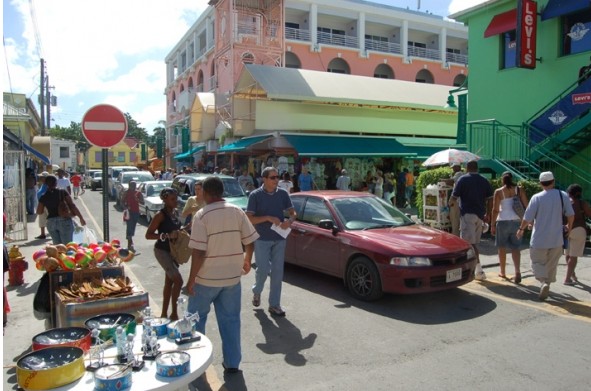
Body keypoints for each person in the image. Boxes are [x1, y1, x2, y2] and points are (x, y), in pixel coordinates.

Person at [186, 176, 259, 374]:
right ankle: (233, 363)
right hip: (232, 278)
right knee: (231, 320)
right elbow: (250, 240)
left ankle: (196, 363)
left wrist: (191, 280)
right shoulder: (237, 211)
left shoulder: (201, 215)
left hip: (206, 279)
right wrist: (247, 259)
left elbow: (199, 252)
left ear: (207, 193)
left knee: (195, 319)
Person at [516, 172, 574, 301]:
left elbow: (527, 217)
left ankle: (543, 282)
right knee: (551, 265)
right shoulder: (562, 195)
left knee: (536, 263)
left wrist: (521, 229)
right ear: (553, 181)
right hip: (557, 239)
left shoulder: (537, 197)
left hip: (539, 239)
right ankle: (547, 282)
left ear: (540, 183)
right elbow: (570, 214)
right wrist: (569, 228)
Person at [247, 167, 297, 317]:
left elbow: (293, 212)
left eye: (277, 177)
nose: (277, 180)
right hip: (262, 238)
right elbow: (249, 217)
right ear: (264, 179)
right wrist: (268, 218)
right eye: (273, 177)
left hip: (280, 238)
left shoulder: (282, 193)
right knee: (262, 269)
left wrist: (290, 220)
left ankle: (274, 305)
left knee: (277, 272)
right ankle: (257, 291)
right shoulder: (255, 195)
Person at [449, 160, 493, 280]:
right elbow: (490, 199)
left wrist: (449, 205)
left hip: (467, 214)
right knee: (474, 243)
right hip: (480, 216)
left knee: (469, 244)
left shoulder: (463, 179)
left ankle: (478, 270)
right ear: (476, 168)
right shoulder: (484, 180)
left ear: (467, 168)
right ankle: (472, 268)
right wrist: (488, 214)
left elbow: (454, 197)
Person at [145, 188, 185, 320]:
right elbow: (148, 235)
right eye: (172, 199)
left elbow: (176, 230)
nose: (175, 201)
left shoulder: (175, 212)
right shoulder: (160, 215)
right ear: (165, 200)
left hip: (173, 251)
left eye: (176, 198)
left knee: (169, 282)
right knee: (178, 281)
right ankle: (174, 313)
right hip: (162, 251)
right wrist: (166, 236)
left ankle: (163, 314)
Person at [490, 172, 529, 283]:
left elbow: (495, 210)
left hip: (502, 221)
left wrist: (492, 225)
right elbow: (526, 205)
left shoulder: (498, 191)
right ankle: (517, 271)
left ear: (502, 179)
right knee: (515, 248)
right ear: (512, 178)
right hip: (517, 221)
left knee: (501, 247)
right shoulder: (519, 189)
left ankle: (503, 272)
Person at [37, 175, 86, 245]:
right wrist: (81, 218)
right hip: (64, 221)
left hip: (51, 223)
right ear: (56, 183)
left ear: (45, 184)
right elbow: (72, 206)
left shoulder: (44, 196)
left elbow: (39, 211)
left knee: (58, 248)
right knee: (68, 246)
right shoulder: (62, 192)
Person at [564, 184, 591, 285]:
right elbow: (590, 214)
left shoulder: (565, 202)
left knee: (567, 254)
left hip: (566, 230)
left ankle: (572, 274)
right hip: (579, 229)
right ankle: (567, 279)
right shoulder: (581, 203)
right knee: (574, 256)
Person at [445, 163, 464, 236]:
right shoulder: (462, 174)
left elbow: (451, 182)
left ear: (457, 167)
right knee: (458, 219)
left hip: (456, 201)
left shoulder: (459, 174)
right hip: (460, 201)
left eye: (453, 167)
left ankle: (455, 236)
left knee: (455, 219)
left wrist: (441, 180)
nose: (453, 169)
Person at [122, 181, 141, 252]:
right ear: (129, 185)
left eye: (134, 185)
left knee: (132, 227)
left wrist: (138, 199)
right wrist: (125, 207)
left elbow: (142, 202)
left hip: (136, 212)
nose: (133, 187)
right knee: (129, 227)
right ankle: (130, 244)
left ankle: (130, 241)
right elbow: (122, 201)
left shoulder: (138, 193)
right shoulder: (126, 192)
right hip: (128, 212)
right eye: (131, 185)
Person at [35, 172, 50, 240]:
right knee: (41, 219)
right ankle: (42, 234)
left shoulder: (49, 185)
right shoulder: (43, 185)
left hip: (47, 204)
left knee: (50, 219)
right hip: (41, 204)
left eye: (42, 177)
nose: (40, 178)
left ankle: (52, 233)